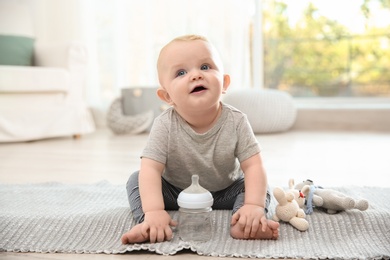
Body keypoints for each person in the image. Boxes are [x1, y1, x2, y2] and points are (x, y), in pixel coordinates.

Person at [121, 34, 279, 244]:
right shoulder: (164, 124)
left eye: (205, 67)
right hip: (176, 192)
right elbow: (151, 168)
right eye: (181, 72)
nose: (195, 75)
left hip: (225, 191)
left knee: (257, 186)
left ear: (224, 82)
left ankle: (247, 222)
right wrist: (154, 210)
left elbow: (253, 166)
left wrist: (254, 205)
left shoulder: (237, 121)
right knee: (137, 179)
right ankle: (149, 224)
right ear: (167, 97)